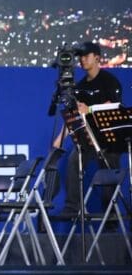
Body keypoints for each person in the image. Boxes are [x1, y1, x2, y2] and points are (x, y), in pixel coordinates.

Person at [52, 41, 123, 219]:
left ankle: (111, 215)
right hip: (89, 137)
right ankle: (73, 207)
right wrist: (60, 139)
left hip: (110, 137)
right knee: (74, 160)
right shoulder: (80, 86)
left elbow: (114, 106)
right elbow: (74, 114)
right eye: (80, 57)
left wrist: (89, 109)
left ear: (97, 57)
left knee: (108, 172)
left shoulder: (109, 81)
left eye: (86, 56)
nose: (82, 60)